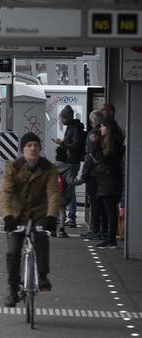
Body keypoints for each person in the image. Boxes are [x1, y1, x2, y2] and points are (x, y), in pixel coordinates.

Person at [1, 132, 61, 308]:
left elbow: (53, 193)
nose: (33, 149)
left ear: (40, 149)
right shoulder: (13, 167)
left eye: (36, 145)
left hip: (40, 214)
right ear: (22, 150)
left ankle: (42, 276)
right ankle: (13, 290)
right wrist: (7, 216)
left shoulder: (49, 168)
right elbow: (6, 193)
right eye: (29, 146)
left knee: (42, 236)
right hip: (17, 215)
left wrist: (51, 216)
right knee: (13, 252)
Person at [52, 105, 86, 230]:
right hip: (70, 160)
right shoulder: (72, 127)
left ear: (68, 118)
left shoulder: (74, 129)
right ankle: (66, 217)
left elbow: (75, 146)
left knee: (69, 189)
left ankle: (71, 217)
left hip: (72, 161)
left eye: (62, 118)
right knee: (67, 188)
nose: (61, 121)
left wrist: (63, 143)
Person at [92, 118, 125, 249]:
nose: (100, 129)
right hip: (109, 179)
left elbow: (101, 158)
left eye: (102, 127)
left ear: (108, 128)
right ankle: (109, 239)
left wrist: (95, 144)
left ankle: (111, 240)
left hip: (109, 180)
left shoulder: (113, 144)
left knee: (110, 211)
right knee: (108, 211)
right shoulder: (115, 142)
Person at [78, 110, 107, 240]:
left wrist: (83, 175)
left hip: (93, 174)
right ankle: (103, 230)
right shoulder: (105, 134)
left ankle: (95, 230)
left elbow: (89, 156)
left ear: (93, 121)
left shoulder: (93, 134)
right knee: (102, 203)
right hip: (103, 173)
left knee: (94, 202)